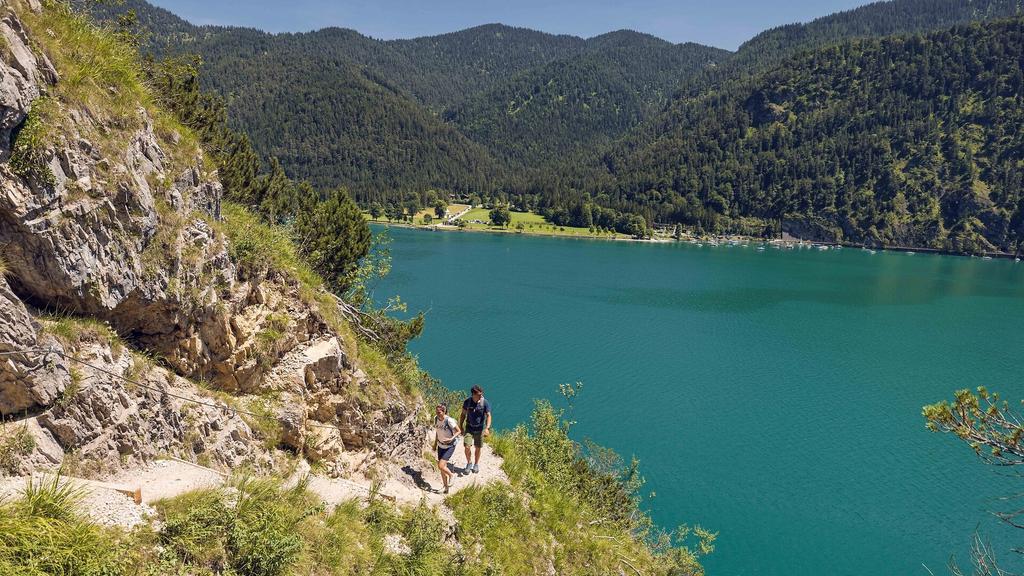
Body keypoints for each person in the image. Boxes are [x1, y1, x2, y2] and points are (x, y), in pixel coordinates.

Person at [459, 384, 492, 474]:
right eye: (479, 394)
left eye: (481, 394)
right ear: (473, 394)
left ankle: (476, 464)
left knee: (478, 447)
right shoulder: (467, 402)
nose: (481, 395)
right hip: (469, 427)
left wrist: (487, 428)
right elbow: (463, 414)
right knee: (467, 447)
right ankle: (469, 463)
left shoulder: (485, 403)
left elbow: (488, 415)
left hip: (480, 429)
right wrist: (460, 426)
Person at [433, 402, 461, 493]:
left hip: (449, 446)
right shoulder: (436, 419)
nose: (437, 414)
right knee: (442, 468)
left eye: (439, 412)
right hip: (440, 445)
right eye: (436, 412)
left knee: (440, 465)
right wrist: (435, 444)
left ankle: (452, 475)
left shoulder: (449, 420)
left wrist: (451, 439)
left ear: (444, 412)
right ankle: (445, 488)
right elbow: (437, 432)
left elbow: (459, 431)